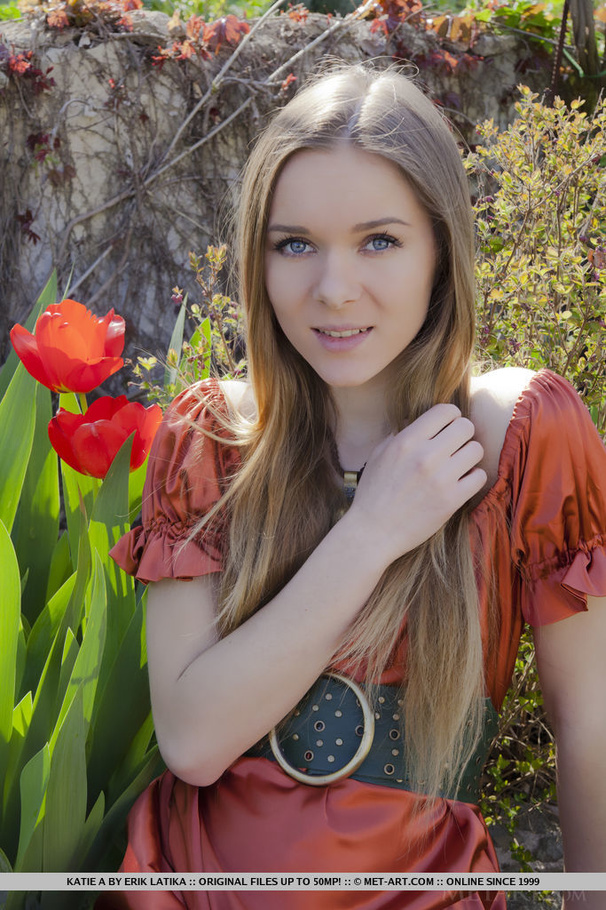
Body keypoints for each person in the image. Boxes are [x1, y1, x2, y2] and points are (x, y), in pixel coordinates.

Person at [99, 63, 606, 910]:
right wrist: (373, 530)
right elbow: (192, 740)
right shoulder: (213, 438)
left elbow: (590, 721)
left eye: (380, 240)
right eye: (294, 244)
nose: (333, 289)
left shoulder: (518, 432)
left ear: (441, 249)